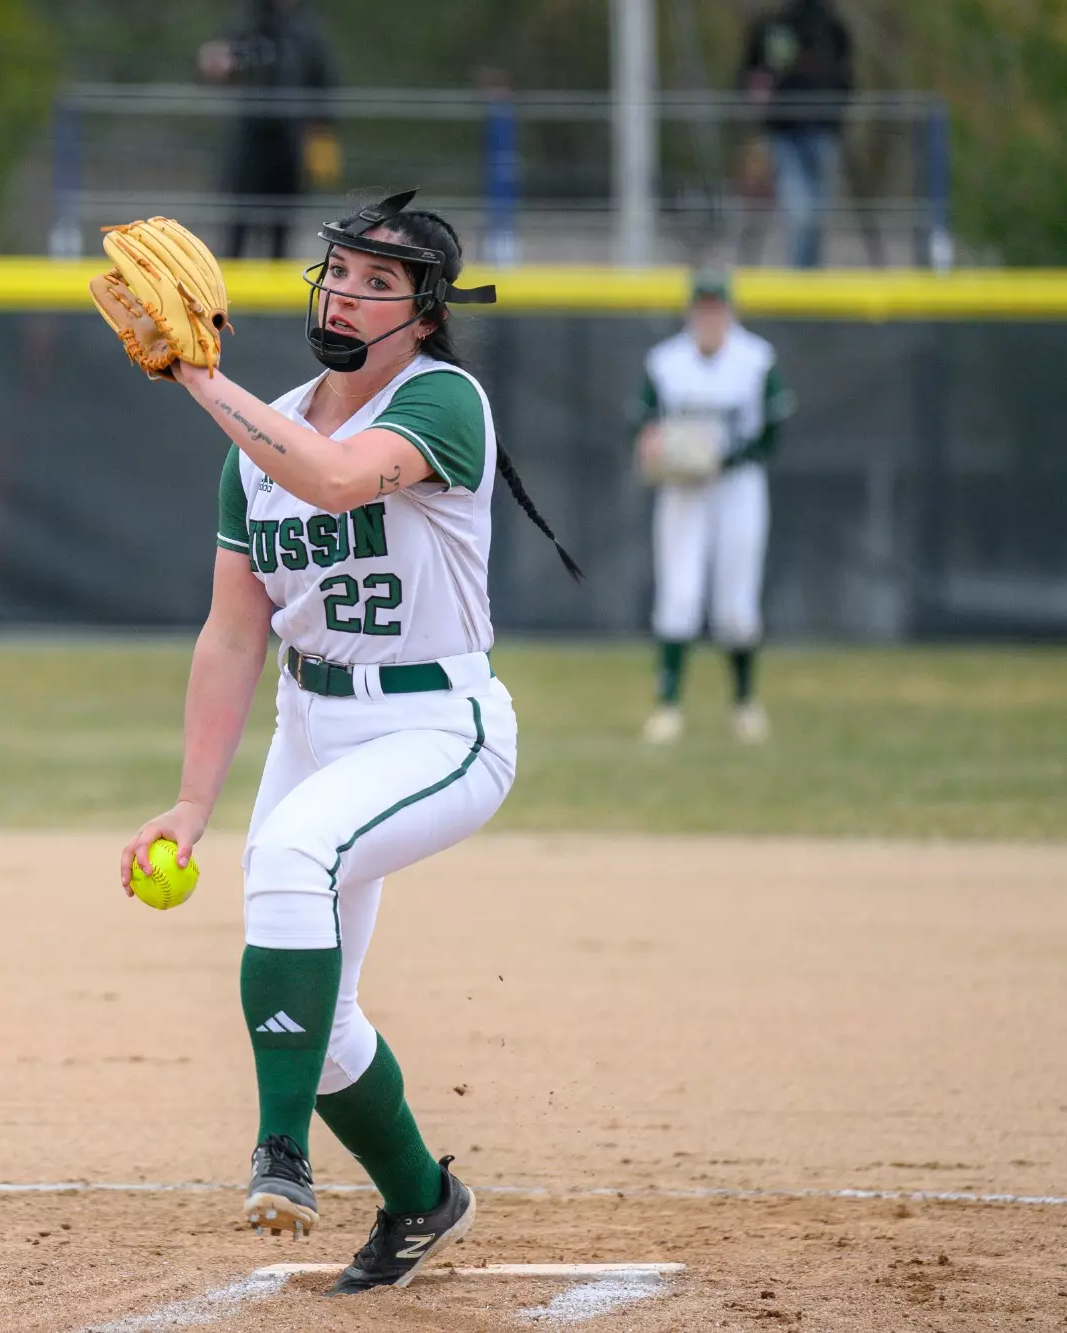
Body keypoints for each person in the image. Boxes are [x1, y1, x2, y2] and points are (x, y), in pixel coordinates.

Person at [117, 192, 579, 1295]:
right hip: (311, 719)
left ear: (421, 316)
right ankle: (422, 1198)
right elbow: (235, 631)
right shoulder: (257, 428)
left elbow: (329, 476)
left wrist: (195, 379)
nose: (345, 295)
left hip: (434, 725)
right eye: (337, 274)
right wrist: (188, 802)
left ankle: (280, 1156)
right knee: (318, 1017)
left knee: (288, 859)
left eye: (378, 285)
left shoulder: (444, 400)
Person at [629, 271, 794, 745]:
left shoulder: (755, 359)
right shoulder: (666, 361)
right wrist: (651, 446)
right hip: (682, 489)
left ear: (730, 312)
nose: (709, 317)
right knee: (679, 594)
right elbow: (641, 422)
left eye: (716, 308)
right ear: (690, 312)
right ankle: (668, 707)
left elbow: (771, 432)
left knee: (737, 604)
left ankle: (744, 704)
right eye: (701, 308)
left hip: (737, 488)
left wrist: (724, 458)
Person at [197, 0, 339, 259]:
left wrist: (320, 138)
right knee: (237, 223)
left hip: (290, 143)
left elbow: (324, 86)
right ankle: (225, 293)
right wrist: (216, 63)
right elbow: (213, 63)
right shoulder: (244, 25)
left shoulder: (307, 32)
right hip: (248, 140)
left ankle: (276, 293)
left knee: (282, 226)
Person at [740, 0, 853, 269]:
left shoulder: (832, 28)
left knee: (817, 216)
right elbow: (749, 74)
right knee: (799, 211)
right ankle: (800, 279)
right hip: (784, 134)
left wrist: (836, 112)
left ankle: (809, 282)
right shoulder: (770, 29)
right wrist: (757, 91)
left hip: (822, 132)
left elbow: (847, 77)